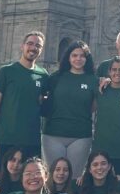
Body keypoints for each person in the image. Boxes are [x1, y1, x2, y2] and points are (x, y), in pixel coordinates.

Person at [40, 40, 97, 178]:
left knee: (74, 178)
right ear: (68, 57)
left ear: (87, 58)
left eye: (82, 56)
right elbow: (41, 98)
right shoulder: (55, 78)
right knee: (53, 177)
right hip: (53, 134)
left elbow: (94, 107)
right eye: (74, 55)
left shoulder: (93, 80)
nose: (78, 59)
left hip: (81, 136)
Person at [0, 32, 47, 163]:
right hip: (6, 139)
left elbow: (44, 102)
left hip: (31, 140)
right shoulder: (6, 72)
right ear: (22, 46)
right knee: (2, 180)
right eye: (30, 43)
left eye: (38, 45)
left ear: (41, 50)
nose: (33, 48)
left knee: (30, 179)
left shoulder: (43, 75)